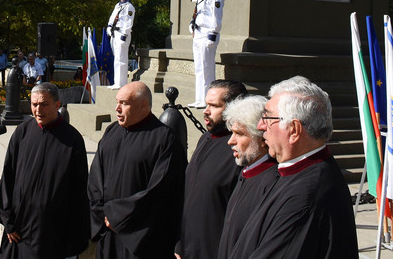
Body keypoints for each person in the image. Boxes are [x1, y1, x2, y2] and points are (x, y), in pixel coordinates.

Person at [229, 76, 357, 259]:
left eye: (267, 117)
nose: (260, 126)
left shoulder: (306, 195)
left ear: (294, 130)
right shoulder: (298, 172)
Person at [88, 81, 186, 258]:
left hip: (140, 239)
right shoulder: (111, 132)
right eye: (117, 102)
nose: (117, 108)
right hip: (108, 232)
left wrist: (117, 216)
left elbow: (159, 191)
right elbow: (95, 179)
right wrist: (102, 213)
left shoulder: (164, 140)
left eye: (124, 103)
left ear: (143, 106)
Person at [0, 83, 90, 259]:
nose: (38, 109)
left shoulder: (73, 139)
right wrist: (7, 220)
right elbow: (8, 176)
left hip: (52, 233)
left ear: (57, 105)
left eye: (44, 104)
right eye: (34, 104)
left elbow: (78, 191)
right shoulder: (22, 132)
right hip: (19, 230)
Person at [176, 80, 248, 259]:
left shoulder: (241, 151)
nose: (206, 111)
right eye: (206, 104)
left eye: (214, 106)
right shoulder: (205, 138)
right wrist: (180, 244)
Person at [216, 94, 277, 259]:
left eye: (239, 134)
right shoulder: (247, 173)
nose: (230, 141)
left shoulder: (271, 181)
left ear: (261, 137)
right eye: (231, 133)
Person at [188, 0, 224, 108]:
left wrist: (212, 35)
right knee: (199, 68)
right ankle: (199, 98)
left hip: (207, 34)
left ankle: (207, 99)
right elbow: (199, 14)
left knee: (206, 68)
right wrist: (192, 24)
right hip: (198, 33)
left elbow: (216, 18)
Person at [106, 0, 136, 89]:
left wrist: (124, 36)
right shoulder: (118, 5)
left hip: (122, 35)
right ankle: (116, 82)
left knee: (121, 59)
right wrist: (109, 28)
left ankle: (121, 83)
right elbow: (112, 18)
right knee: (116, 59)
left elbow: (128, 23)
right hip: (115, 34)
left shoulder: (129, 7)